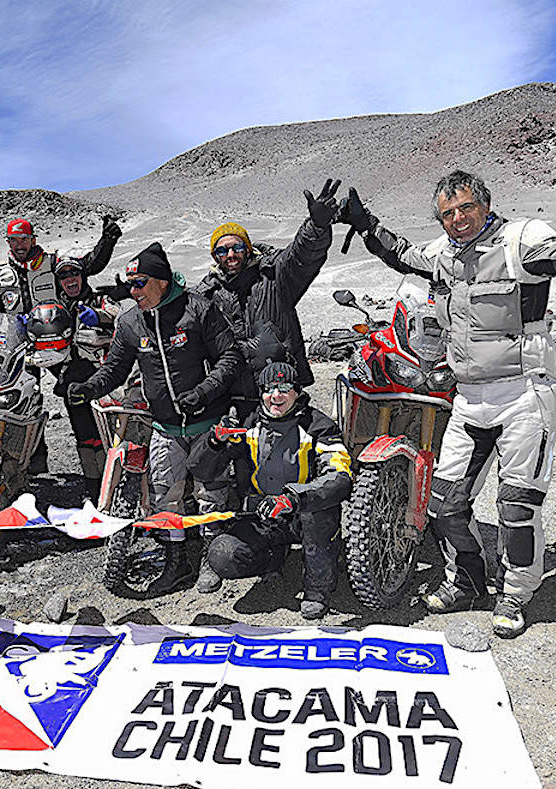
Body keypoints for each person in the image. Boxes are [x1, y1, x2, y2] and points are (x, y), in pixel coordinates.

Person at [338, 162, 556, 637]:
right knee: (444, 502)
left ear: (485, 204)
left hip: (524, 392)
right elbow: (402, 255)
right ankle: (466, 577)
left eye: (467, 207)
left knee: (516, 504)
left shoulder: (520, 242)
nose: (459, 218)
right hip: (467, 395)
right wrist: (364, 224)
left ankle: (515, 592)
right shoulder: (445, 255)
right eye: (448, 212)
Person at [65, 243, 242, 594]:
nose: (133, 292)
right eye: (130, 284)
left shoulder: (198, 309)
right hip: (164, 425)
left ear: (161, 281)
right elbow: (115, 369)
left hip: (207, 423)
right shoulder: (130, 322)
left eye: (140, 283)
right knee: (165, 493)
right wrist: (88, 388)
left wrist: (205, 391)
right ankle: (177, 561)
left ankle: (210, 556)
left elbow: (230, 357)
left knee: (211, 492)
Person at [195, 362, 353, 619]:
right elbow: (202, 470)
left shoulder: (318, 425)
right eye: (269, 389)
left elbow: (340, 476)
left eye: (284, 388)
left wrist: (294, 498)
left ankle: (318, 588)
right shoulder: (248, 423)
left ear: (297, 392)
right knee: (222, 555)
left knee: (317, 514)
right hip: (264, 513)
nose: (275, 395)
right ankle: (272, 559)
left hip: (304, 514)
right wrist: (214, 442)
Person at [198, 180, 340, 409]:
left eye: (237, 247)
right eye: (223, 250)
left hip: (282, 388)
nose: (231, 254)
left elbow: (302, 256)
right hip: (235, 394)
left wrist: (317, 225)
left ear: (248, 248)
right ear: (216, 257)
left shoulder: (274, 277)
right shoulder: (207, 295)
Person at [51, 255, 122, 484]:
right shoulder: (54, 308)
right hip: (71, 381)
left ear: (82, 276)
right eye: (64, 275)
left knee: (107, 434)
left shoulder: (99, 299)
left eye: (74, 273)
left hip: (102, 380)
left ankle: (113, 483)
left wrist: (99, 317)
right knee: (83, 436)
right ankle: (93, 485)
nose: (70, 279)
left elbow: (118, 315)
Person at [0, 215, 122, 314]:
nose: (19, 245)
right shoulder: (0, 272)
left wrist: (108, 240)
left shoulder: (51, 261)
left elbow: (88, 265)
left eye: (24, 239)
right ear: (8, 242)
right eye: (14, 240)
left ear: (33, 241)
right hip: (18, 341)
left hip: (54, 335)